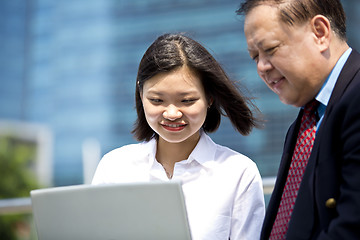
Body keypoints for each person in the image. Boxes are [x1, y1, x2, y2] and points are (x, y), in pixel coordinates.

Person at [92, 33, 265, 239]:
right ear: (141, 95)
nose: (172, 113)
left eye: (187, 100)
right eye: (157, 100)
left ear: (209, 98)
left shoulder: (238, 173)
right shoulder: (114, 167)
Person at [237, 0, 360, 239]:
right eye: (254, 56)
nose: (262, 66)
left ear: (320, 33)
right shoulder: (305, 123)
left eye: (271, 49)